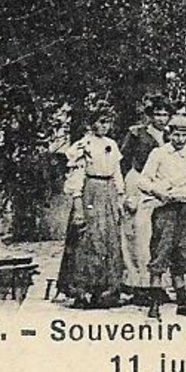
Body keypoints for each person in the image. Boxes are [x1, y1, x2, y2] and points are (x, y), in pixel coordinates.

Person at [57, 107, 125, 309]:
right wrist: (78, 207)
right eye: (101, 122)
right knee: (88, 241)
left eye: (108, 122)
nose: (105, 126)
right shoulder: (83, 145)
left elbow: (117, 173)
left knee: (108, 241)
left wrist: (119, 198)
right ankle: (82, 291)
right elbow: (76, 177)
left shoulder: (111, 144)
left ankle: (104, 291)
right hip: (90, 192)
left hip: (108, 193)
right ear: (92, 123)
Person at [139, 114, 186, 318]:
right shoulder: (159, 154)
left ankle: (183, 302)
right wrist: (157, 191)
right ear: (170, 134)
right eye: (176, 135)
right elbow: (143, 181)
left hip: (184, 209)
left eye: (184, 136)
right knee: (161, 252)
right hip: (165, 210)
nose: (179, 140)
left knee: (183, 254)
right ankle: (154, 303)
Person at [119, 98, 169, 303]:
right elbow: (122, 162)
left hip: (160, 186)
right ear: (150, 115)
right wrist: (125, 193)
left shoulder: (172, 135)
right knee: (135, 233)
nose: (161, 118)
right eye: (158, 114)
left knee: (157, 235)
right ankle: (134, 283)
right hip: (137, 181)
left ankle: (155, 284)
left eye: (165, 114)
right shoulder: (136, 133)